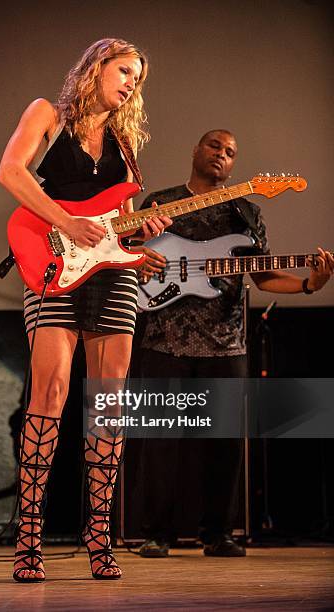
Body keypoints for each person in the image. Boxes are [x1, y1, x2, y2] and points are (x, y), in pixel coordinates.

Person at [0, 38, 171, 582]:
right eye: (124, 71)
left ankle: (100, 539)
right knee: (49, 392)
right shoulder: (46, 113)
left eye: (137, 79)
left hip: (112, 274)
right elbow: (10, 172)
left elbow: (116, 218)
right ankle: (28, 541)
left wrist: (140, 238)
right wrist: (67, 222)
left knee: (109, 401)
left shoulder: (123, 140)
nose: (130, 84)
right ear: (97, 67)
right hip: (51, 260)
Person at [134, 129, 333, 558]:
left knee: (225, 443)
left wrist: (309, 285)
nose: (221, 155)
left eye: (230, 152)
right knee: (160, 441)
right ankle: (156, 533)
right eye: (214, 146)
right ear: (195, 149)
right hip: (163, 337)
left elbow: (263, 274)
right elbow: (129, 258)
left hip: (226, 343)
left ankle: (219, 532)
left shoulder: (247, 213)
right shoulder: (159, 203)